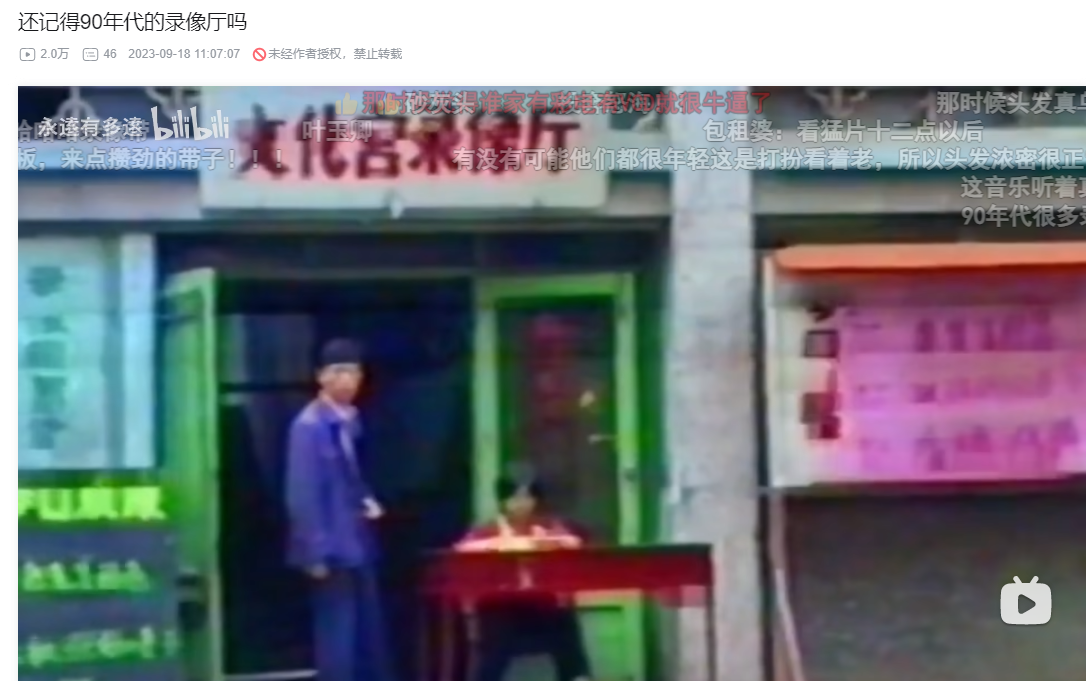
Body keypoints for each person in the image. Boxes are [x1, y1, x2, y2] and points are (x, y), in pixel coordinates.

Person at [284, 338, 395, 681]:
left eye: (354, 373)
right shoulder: (309, 426)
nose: (348, 380)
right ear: (322, 377)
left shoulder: (350, 420)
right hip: (332, 548)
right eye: (339, 372)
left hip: (358, 542)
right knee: (338, 637)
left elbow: (351, 477)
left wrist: (367, 501)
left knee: (367, 636)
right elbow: (302, 494)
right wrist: (314, 553)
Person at [455, 474, 592, 681]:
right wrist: (499, 545)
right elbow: (463, 549)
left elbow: (573, 542)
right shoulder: (489, 528)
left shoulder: (546, 525)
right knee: (494, 635)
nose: (522, 503)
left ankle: (577, 676)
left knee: (564, 622)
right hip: (501, 605)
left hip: (539, 602)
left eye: (527, 497)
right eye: (515, 497)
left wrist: (547, 542)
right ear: (503, 500)